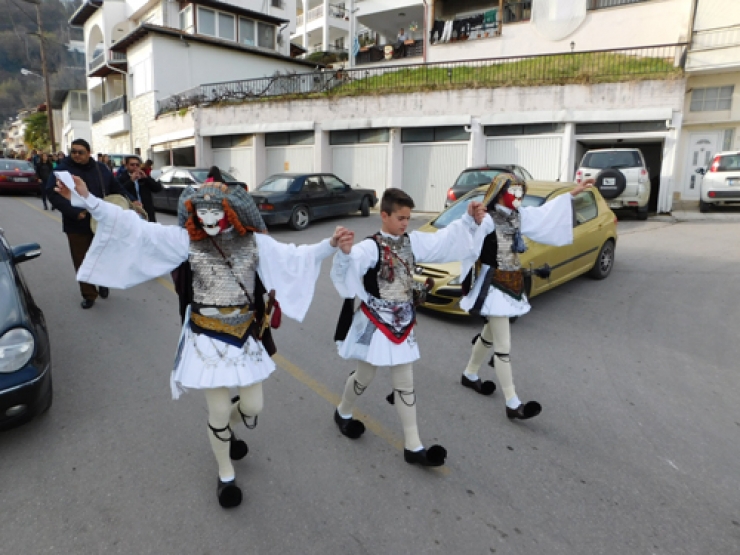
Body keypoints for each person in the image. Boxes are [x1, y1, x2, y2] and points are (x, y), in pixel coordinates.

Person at [53, 176, 352, 509]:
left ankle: (223, 430)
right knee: (220, 409)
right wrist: (88, 198)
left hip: (243, 336)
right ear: (194, 214)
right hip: (205, 337)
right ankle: (225, 474)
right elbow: (135, 229)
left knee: (252, 406)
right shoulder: (184, 241)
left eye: (214, 212)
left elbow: (294, 256)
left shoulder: (254, 243)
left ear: (228, 212)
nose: (208, 220)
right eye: (201, 213)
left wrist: (330, 244)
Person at [331, 188, 486, 468]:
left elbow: (443, 242)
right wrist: (344, 254)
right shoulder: (370, 247)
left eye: (408, 218)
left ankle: (413, 446)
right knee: (364, 376)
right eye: (401, 217)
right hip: (376, 324)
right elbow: (350, 267)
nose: (405, 223)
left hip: (403, 322)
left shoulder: (411, 241)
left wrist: (467, 221)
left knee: (405, 383)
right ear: (385, 215)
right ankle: (343, 412)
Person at [458, 173, 592, 420]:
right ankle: (512, 403)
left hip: (511, 282)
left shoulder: (518, 216)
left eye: (522, 192)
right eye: (515, 192)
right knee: (503, 346)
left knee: (490, 335)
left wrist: (574, 192)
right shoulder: (487, 219)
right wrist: (471, 220)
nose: (519, 197)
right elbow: (467, 238)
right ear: (500, 192)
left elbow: (545, 213)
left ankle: (469, 373)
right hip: (494, 285)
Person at [47, 139, 128, 309]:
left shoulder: (101, 169)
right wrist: (75, 213)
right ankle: (89, 294)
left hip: (100, 221)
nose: (76, 155)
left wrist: (132, 200)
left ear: (88, 153)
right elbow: (52, 194)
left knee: (102, 256)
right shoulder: (62, 169)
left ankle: (102, 281)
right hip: (77, 223)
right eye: (73, 151)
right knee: (82, 259)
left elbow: (116, 187)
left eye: (80, 152)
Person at [118, 155, 162, 222]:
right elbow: (120, 192)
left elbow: (158, 188)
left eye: (137, 165)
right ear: (126, 166)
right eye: (132, 165)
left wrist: (146, 178)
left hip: (146, 212)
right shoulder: (121, 178)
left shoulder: (143, 177)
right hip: (131, 213)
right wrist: (131, 181)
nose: (135, 167)